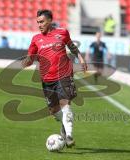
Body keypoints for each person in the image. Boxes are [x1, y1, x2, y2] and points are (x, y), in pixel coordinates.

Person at [22, 9, 87, 148]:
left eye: (42, 22)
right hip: (46, 79)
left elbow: (72, 46)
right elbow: (30, 57)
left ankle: (69, 136)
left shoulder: (62, 33)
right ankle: (64, 124)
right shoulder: (35, 39)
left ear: (50, 21)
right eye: (38, 22)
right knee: (53, 111)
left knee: (65, 103)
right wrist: (27, 62)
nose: (39, 25)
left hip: (64, 75)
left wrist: (81, 58)